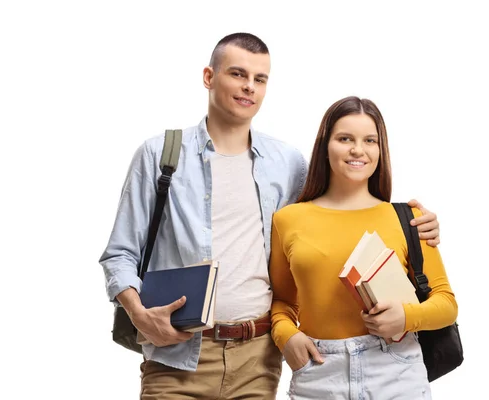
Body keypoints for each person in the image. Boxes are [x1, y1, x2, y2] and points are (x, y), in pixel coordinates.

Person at [99, 33, 442, 400]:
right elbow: (120, 254)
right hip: (177, 354)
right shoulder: (160, 154)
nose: (249, 87)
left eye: (260, 79)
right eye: (237, 74)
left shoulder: (288, 163)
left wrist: (411, 221)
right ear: (208, 77)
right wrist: (138, 314)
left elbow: (339, 205)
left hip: (258, 358)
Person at [269, 96, 458, 399]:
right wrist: (286, 336)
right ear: (325, 146)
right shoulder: (288, 219)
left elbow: (446, 304)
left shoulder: (409, 218)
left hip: (394, 369)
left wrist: (405, 318)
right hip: (319, 371)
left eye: (370, 140)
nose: (358, 150)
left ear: (380, 150)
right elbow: (282, 301)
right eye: (345, 139)